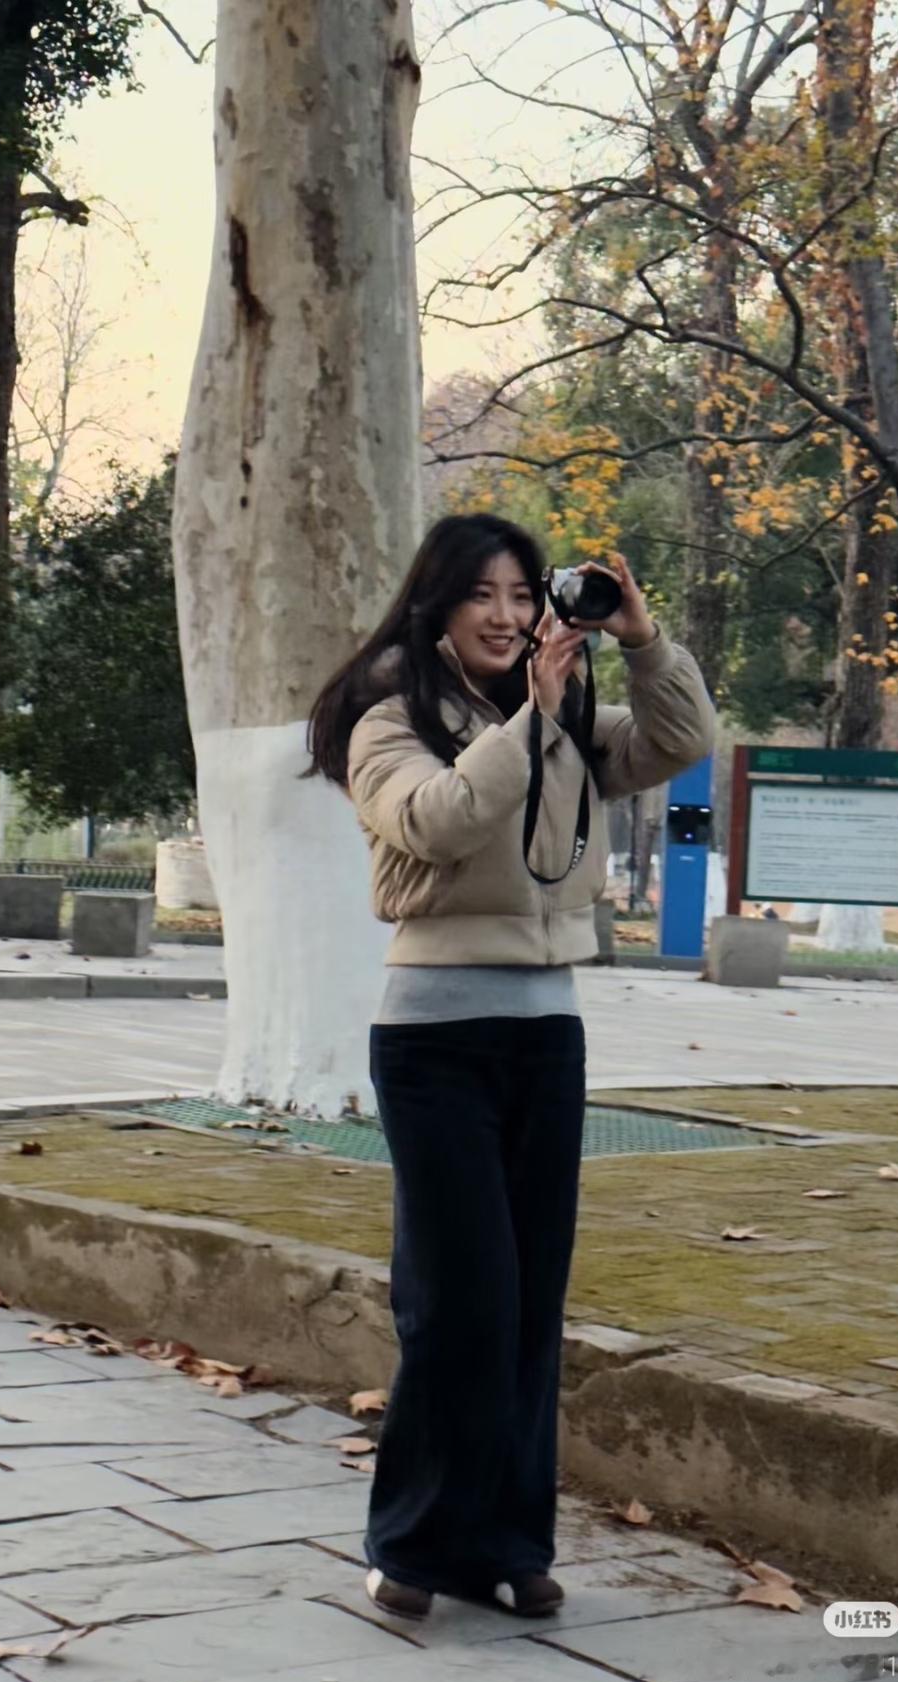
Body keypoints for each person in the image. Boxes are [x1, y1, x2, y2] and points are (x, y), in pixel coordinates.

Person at [305, 513, 715, 1622]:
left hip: (546, 1033)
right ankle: (411, 1545)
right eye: (481, 594)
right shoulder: (387, 717)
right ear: (436, 605)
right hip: (433, 1037)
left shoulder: (571, 708)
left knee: (531, 1300)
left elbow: (680, 740)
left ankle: (509, 1543)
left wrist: (641, 641)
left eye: (522, 593)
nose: (505, 614)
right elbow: (433, 821)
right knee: (459, 1301)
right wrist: (532, 715)